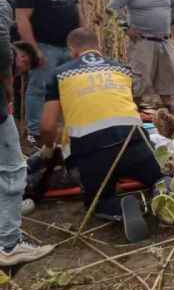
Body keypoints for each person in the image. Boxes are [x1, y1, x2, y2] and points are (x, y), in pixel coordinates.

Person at [39, 28, 165, 240]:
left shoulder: (60, 74)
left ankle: (115, 206)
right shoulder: (122, 69)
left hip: (92, 153)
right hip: (133, 144)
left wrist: (49, 149)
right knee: (158, 177)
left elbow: (47, 126)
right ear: (98, 47)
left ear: (72, 50)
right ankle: (162, 192)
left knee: (98, 199)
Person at [0, 0, 53, 267]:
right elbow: (1, 50)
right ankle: (9, 245)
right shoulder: (2, 5)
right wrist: (7, 90)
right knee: (11, 171)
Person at [15, 0, 84, 145]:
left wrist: (82, 39)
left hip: (69, 47)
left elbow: (77, 12)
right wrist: (34, 49)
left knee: (68, 87)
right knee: (39, 88)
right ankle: (35, 132)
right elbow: (22, 18)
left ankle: (63, 129)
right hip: (45, 46)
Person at [107, 0, 174, 111]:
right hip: (143, 42)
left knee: (168, 79)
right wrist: (126, 28)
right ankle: (136, 115)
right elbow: (111, 8)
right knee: (140, 80)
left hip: (165, 40)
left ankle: (168, 112)